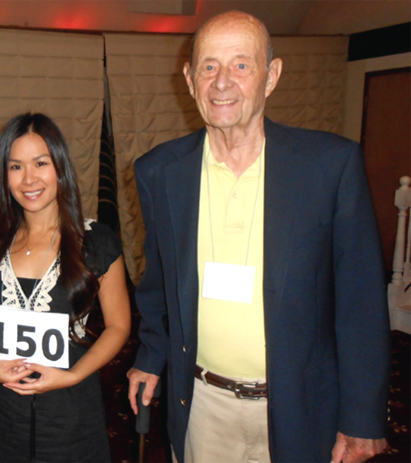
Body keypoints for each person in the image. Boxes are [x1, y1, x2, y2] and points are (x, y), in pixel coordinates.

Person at [127, 11, 390, 463]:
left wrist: (363, 417)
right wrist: (152, 354)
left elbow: (361, 301)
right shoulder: (159, 172)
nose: (222, 82)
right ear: (190, 80)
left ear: (272, 76)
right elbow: (159, 284)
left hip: (300, 407)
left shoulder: (329, 166)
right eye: (209, 66)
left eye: (241, 65)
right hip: (203, 404)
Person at [0, 112, 131, 462]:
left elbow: (118, 326)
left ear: (60, 167)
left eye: (40, 163)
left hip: (70, 412)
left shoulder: (96, 242)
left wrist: (72, 376)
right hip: (0, 412)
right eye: (15, 167)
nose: (29, 179)